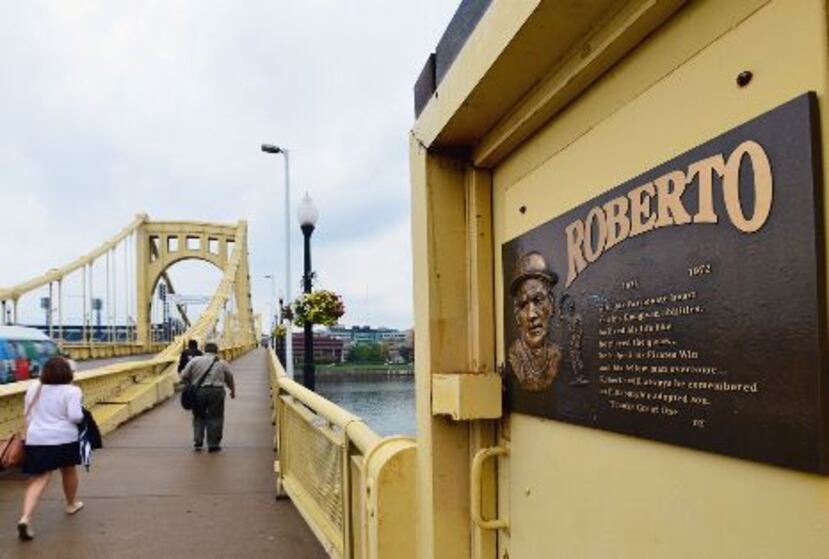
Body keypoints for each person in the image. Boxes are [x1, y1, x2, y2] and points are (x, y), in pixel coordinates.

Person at [17, 356, 85, 541]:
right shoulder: (72, 391)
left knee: (38, 478)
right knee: (68, 471)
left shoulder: (34, 388)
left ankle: (26, 518)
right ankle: (71, 504)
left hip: (37, 438)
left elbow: (27, 414)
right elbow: (75, 417)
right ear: (68, 372)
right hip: (64, 438)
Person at [507, 251, 563, 391]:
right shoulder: (513, 356)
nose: (531, 314)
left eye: (538, 300)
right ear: (516, 316)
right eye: (523, 305)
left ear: (551, 305)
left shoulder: (557, 354)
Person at [179, 342, 235, 452]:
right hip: (216, 391)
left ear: (204, 350)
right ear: (216, 351)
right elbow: (230, 378)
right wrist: (232, 391)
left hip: (199, 392)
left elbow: (184, 376)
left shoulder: (195, 360)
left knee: (198, 416)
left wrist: (191, 383)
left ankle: (198, 440)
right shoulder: (222, 363)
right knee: (216, 417)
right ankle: (213, 444)